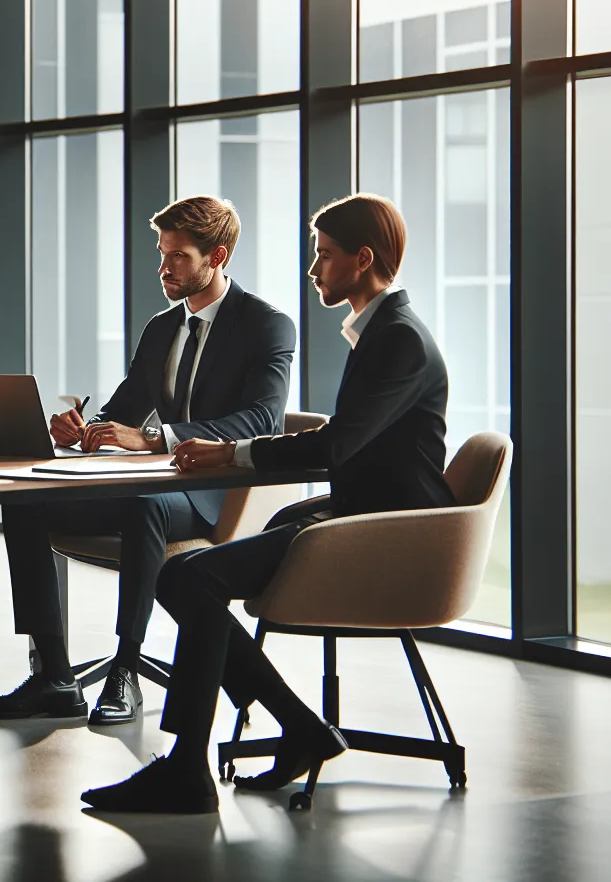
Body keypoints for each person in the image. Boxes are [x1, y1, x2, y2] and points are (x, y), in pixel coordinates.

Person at [80, 193, 453, 813]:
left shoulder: (399, 340)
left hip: (388, 533)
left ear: (363, 260)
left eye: (325, 256)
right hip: (361, 516)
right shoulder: (382, 332)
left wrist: (233, 454)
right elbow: (347, 446)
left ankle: (193, 767)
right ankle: (295, 730)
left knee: (191, 577)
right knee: (184, 576)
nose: (314, 269)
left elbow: (338, 445)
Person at [0, 196, 296, 726]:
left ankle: (125, 670)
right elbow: (123, 410)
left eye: (178, 256)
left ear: (217, 256)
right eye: (162, 253)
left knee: (144, 508)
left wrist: (156, 439)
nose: (163, 267)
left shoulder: (267, 326)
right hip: (155, 483)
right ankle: (55, 677)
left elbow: (261, 423)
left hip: (214, 494)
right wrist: (82, 429)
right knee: (25, 504)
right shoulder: (161, 328)